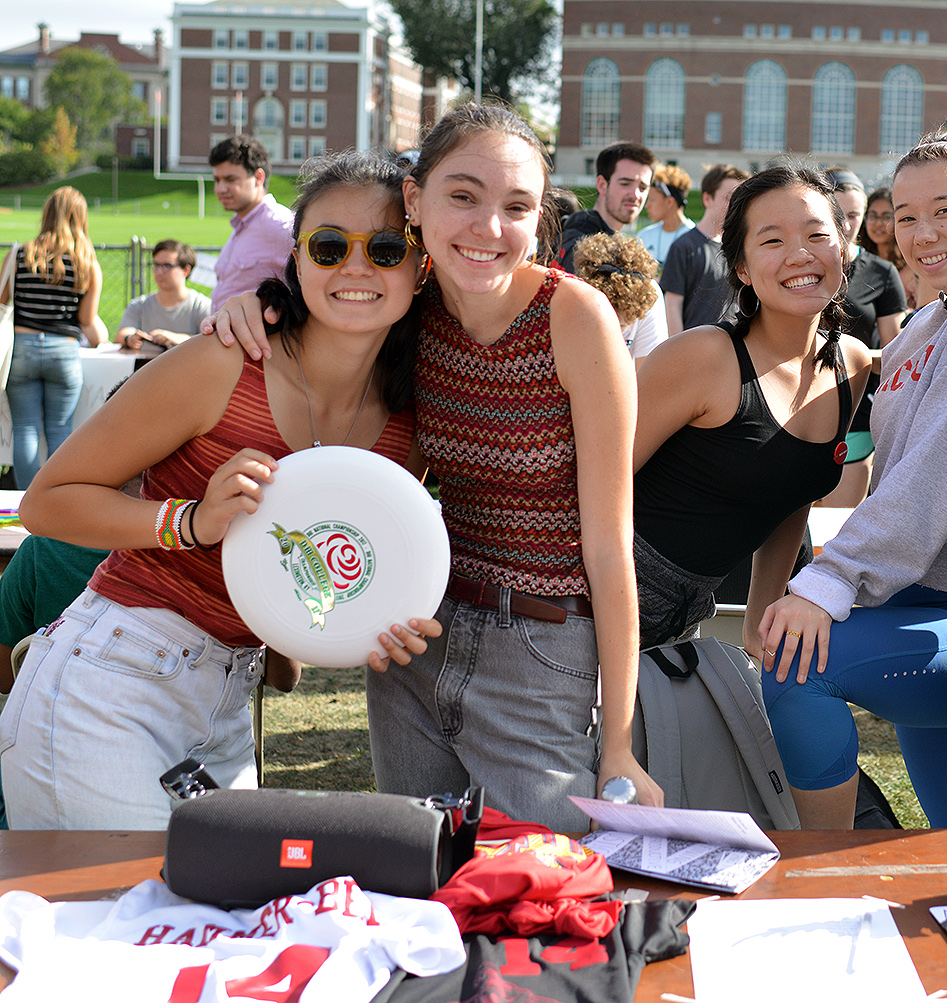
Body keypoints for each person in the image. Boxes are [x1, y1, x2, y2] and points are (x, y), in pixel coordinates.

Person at [210, 104, 662, 830]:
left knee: (540, 891)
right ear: (415, 199)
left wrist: (618, 743)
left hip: (540, 653)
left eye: (516, 206)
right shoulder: (408, 308)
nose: (488, 227)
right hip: (415, 636)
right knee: (415, 875)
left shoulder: (574, 318)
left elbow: (610, 549)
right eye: (463, 195)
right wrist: (251, 302)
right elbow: (321, 315)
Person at [0, 150, 437, 830]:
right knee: (133, 922)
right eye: (328, 246)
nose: (356, 266)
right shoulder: (225, 362)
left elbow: (305, 578)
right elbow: (47, 499)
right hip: (109, 687)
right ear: (296, 260)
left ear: (421, 264)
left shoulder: (402, 431)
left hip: (226, 706)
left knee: (214, 924)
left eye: (386, 247)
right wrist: (192, 519)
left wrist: (365, 621)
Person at [757, 125, 947, 829]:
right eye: (908, 215)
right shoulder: (923, 325)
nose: (923, 233)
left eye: (946, 209)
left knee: (798, 666)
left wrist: (828, 581)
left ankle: (819, 870)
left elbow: (933, 477)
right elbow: (875, 463)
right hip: (909, 600)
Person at [633, 163, 873, 651]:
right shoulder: (704, 356)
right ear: (741, 267)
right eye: (772, 241)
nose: (800, 255)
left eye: (817, 235)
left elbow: (793, 490)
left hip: (687, 617)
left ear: (843, 250)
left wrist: (756, 623)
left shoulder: (852, 363)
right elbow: (589, 484)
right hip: (591, 598)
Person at [3, 186, 104, 488]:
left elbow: (2, 301)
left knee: (25, 429)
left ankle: (26, 500)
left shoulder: (19, 253)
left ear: (46, 214)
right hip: (64, 351)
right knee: (61, 430)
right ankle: (57, 500)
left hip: (21, 347)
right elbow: (87, 320)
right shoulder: (87, 262)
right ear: (81, 218)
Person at [821, 167, 904, 507]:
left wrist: (853, 358)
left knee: (836, 529)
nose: (846, 225)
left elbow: (897, 352)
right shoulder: (798, 266)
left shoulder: (881, 272)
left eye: (854, 215)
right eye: (836, 214)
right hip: (789, 410)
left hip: (854, 412)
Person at [661, 164, 750, 337]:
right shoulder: (684, 246)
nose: (735, 207)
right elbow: (672, 306)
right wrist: (678, 351)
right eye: (729, 199)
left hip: (734, 349)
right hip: (695, 349)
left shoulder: (741, 249)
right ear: (707, 199)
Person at [209, 135, 295, 312]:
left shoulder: (281, 226)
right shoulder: (242, 226)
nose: (220, 189)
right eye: (217, 180)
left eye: (230, 179)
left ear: (258, 178)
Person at [553, 141, 656, 273]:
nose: (635, 195)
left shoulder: (572, 230)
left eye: (642, 188)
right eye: (625, 184)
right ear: (602, 185)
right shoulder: (583, 246)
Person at [572, 232, 668, 365]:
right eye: (604, 322)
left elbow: (648, 375)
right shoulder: (575, 299)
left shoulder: (650, 295)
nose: (612, 332)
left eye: (622, 326)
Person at [116, 240, 212, 354]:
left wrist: (176, 338)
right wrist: (130, 338)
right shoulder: (139, 305)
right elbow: (122, 334)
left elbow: (211, 341)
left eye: (167, 266)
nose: (159, 272)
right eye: (156, 265)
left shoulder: (201, 306)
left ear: (186, 270)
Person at [859, 186, 917, 311]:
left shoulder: (911, 264)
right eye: (873, 216)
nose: (878, 223)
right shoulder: (859, 260)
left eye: (886, 217)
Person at [636, 164, 695, 267]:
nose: (647, 205)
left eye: (652, 199)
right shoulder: (643, 237)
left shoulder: (695, 239)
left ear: (669, 202)